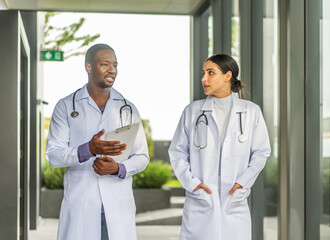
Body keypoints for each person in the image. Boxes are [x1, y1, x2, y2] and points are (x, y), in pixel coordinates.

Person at [46, 43, 149, 240]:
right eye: (105, 64)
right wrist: (87, 149)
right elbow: (53, 155)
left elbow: (142, 156)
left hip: (117, 207)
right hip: (82, 206)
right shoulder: (66, 106)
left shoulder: (128, 108)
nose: (112, 70)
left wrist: (118, 169)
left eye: (115, 65)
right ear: (89, 67)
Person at [168, 54, 271, 240]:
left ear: (227, 75)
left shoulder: (250, 111)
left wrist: (243, 183)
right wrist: (192, 184)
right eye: (203, 73)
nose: (204, 79)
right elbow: (177, 152)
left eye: (210, 73)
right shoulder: (192, 111)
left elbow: (261, 152)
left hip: (234, 201)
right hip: (201, 200)